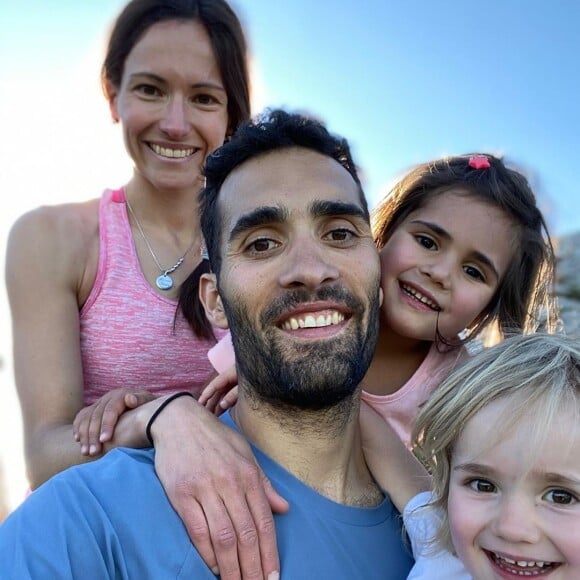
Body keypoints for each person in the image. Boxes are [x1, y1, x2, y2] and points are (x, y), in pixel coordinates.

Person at [0, 109, 415, 579]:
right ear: (215, 301)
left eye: (339, 233)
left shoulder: (461, 537)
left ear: (378, 277)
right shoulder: (81, 524)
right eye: (262, 243)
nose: (311, 268)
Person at [6, 2, 289, 578]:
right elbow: (45, 459)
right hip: (98, 547)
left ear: (231, 115)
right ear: (112, 93)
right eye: (151, 89)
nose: (176, 123)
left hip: (257, 543)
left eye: (204, 98)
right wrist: (164, 417)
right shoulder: (54, 237)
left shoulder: (271, 246)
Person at [196, 151, 558, 446]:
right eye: (427, 242)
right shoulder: (305, 314)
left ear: (491, 306)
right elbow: (207, 401)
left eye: (474, 272)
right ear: (381, 234)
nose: (440, 273)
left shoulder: (460, 390)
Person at [364, 332, 580, 579]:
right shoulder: (444, 552)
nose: (511, 529)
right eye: (483, 485)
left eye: (561, 497)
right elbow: (381, 447)